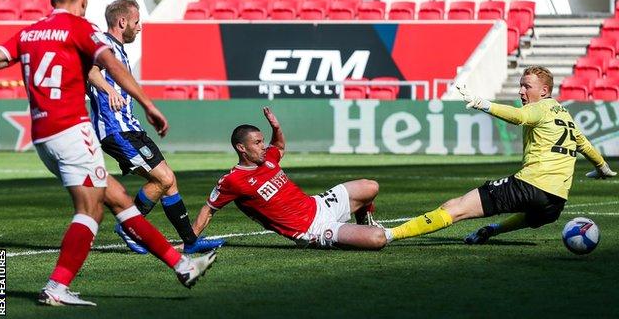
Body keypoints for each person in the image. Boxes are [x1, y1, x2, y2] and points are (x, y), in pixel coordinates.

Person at [0, 0, 215, 307]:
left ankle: (182, 266)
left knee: (119, 200)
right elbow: (110, 65)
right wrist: (148, 104)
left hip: (43, 135)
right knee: (90, 210)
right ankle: (57, 286)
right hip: (72, 131)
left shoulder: (29, 32)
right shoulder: (80, 29)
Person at [386, 66, 616, 244]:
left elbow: (518, 117)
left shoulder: (540, 107)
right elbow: (584, 145)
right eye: (520, 85)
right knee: (532, 216)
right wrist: (602, 168)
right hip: (555, 202)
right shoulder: (564, 115)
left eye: (527, 86)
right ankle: (492, 230)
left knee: (454, 208)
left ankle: (389, 233)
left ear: (544, 91)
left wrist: (482, 103)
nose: (521, 91)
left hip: (530, 184)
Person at [86, 0, 224, 254]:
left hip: (130, 127)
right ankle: (128, 226)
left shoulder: (117, 48)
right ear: (122, 21)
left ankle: (190, 242)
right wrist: (108, 90)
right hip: (115, 129)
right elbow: (90, 71)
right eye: (137, 21)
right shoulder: (103, 44)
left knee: (169, 182)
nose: (140, 27)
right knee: (162, 178)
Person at [190, 107, 387, 250]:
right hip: (312, 229)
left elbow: (280, 147)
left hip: (318, 204)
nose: (263, 146)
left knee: (370, 186)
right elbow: (208, 210)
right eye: (257, 142)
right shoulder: (233, 180)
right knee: (378, 238)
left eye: (262, 141)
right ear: (241, 148)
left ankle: (363, 223)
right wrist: (190, 240)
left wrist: (276, 127)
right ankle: (350, 235)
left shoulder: (267, 159)